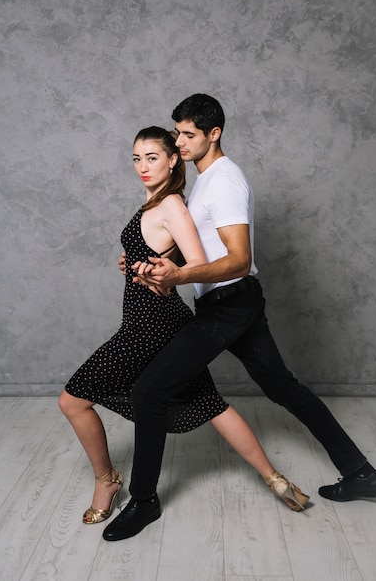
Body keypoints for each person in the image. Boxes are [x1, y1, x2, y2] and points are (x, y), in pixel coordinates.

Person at [102, 94, 376, 542]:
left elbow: (237, 259)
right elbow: (198, 248)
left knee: (150, 389)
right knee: (283, 386)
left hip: (231, 302)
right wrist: (147, 262)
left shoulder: (226, 181)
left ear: (214, 134)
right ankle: (361, 472)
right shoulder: (203, 182)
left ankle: (143, 500)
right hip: (230, 304)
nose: (180, 140)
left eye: (189, 134)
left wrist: (178, 275)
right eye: (177, 132)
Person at [59, 125, 309, 527]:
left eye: (152, 157)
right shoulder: (157, 204)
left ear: (174, 159)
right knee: (212, 404)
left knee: (72, 401)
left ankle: (106, 481)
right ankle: (275, 478)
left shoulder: (172, 204)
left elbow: (194, 266)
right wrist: (137, 265)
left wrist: (163, 274)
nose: (142, 166)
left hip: (150, 325)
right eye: (136, 158)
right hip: (159, 321)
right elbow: (164, 253)